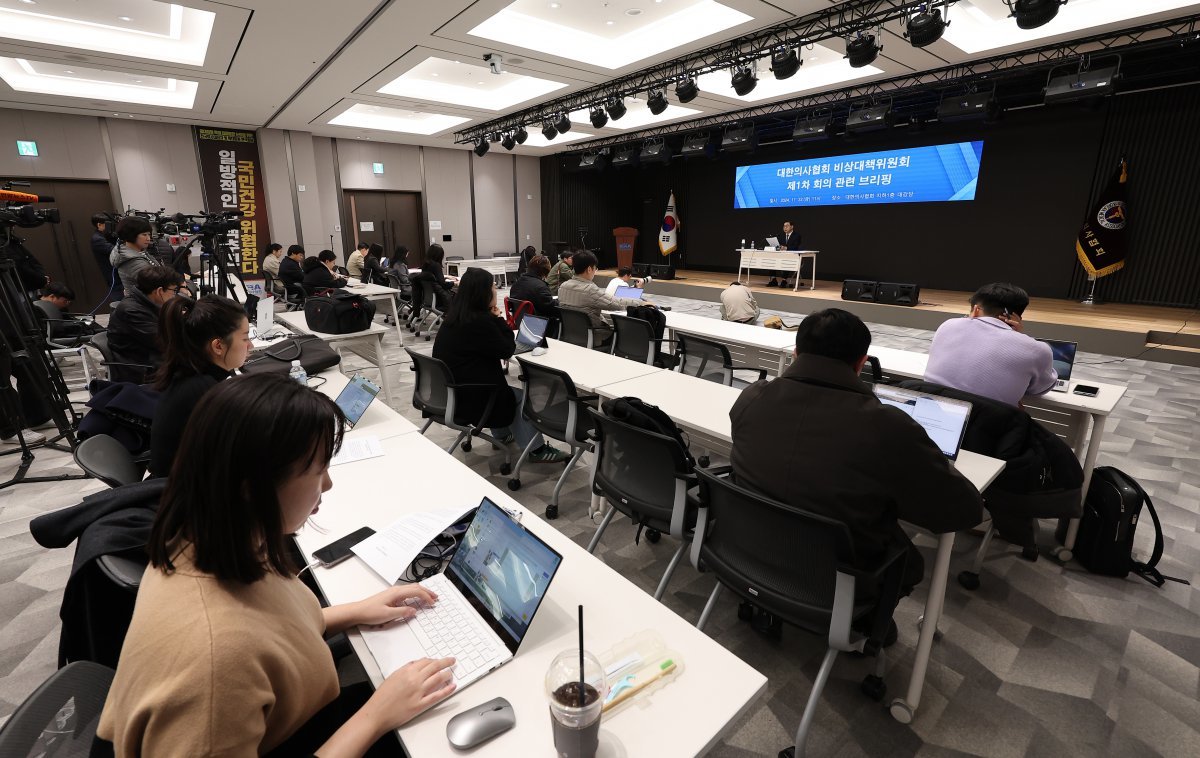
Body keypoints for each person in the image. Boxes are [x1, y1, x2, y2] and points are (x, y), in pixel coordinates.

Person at [97, 373, 458, 755]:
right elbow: (240, 648)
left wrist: (354, 612)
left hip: (295, 719)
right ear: (253, 488)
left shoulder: (209, 542)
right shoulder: (214, 661)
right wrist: (376, 716)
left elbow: (270, 628)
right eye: (318, 470)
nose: (329, 484)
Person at [729, 308, 983, 636]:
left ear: (796, 353)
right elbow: (962, 511)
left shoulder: (753, 396)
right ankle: (868, 625)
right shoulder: (887, 426)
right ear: (862, 362)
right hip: (836, 579)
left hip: (746, 549)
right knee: (906, 557)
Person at [433, 268, 569, 463]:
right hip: (474, 396)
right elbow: (507, 349)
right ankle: (536, 450)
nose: (496, 291)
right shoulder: (481, 322)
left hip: (454, 392)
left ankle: (502, 435)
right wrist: (498, 319)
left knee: (502, 389)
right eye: (493, 287)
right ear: (483, 293)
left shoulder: (455, 317)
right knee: (521, 397)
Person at [147, 295, 251, 478]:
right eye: (245, 338)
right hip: (184, 494)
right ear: (218, 346)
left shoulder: (190, 373)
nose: (250, 346)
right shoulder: (204, 392)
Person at [925, 283, 1057, 407]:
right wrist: (1017, 335)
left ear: (976, 309)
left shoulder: (947, 325)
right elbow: (1039, 389)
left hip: (932, 415)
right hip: (989, 427)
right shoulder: (1037, 350)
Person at [106, 264, 185, 384]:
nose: (175, 295)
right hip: (141, 368)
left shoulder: (147, 303)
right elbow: (164, 342)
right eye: (174, 290)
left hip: (151, 358)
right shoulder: (132, 311)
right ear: (159, 291)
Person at [557, 250, 650, 346]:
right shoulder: (590, 290)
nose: (595, 272)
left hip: (571, 335)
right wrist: (640, 302)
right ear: (589, 269)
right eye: (595, 269)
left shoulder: (563, 287)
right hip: (594, 337)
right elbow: (617, 303)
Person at [34, 283, 102, 341]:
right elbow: (50, 330)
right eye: (65, 301)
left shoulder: (59, 307)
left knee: (90, 323)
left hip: (64, 328)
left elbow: (68, 318)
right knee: (83, 327)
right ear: (52, 297)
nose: (66, 304)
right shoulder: (35, 308)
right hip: (58, 333)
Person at [109, 216, 158, 297]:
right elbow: (157, 284)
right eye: (144, 235)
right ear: (131, 235)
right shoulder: (132, 261)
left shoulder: (137, 251)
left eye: (149, 235)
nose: (148, 238)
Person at [508, 254, 557, 321]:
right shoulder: (540, 287)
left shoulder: (516, 283)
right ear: (546, 270)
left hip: (520, 321)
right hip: (536, 323)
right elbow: (550, 309)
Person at [417, 243, 455, 310]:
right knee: (459, 295)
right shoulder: (436, 266)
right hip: (440, 300)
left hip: (428, 298)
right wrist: (455, 283)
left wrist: (445, 277)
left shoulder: (425, 265)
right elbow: (443, 285)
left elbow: (433, 278)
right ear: (439, 255)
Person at [767, 220, 801, 288]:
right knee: (772, 260)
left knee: (786, 261)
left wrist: (786, 248)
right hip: (781, 256)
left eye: (787, 226)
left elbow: (796, 247)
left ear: (791, 227)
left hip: (792, 256)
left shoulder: (797, 236)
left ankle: (784, 280)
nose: (785, 228)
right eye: (784, 226)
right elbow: (778, 246)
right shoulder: (780, 236)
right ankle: (774, 280)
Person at [91, 213, 116, 288]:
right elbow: (114, 250)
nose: (110, 226)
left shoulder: (105, 236)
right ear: (99, 225)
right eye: (107, 224)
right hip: (113, 278)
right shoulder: (97, 239)